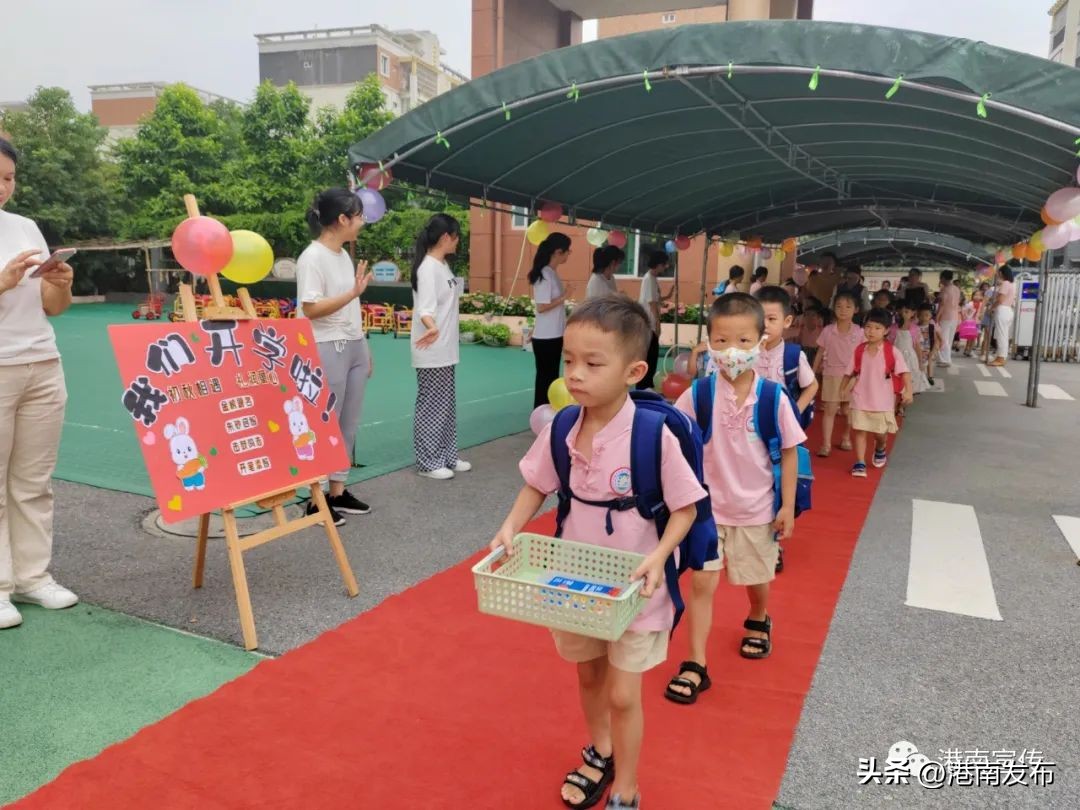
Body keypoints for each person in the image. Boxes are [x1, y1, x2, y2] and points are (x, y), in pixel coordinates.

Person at [490, 296, 705, 810]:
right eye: (569, 361)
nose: (576, 374)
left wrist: (660, 557)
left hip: (637, 589)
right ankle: (602, 749)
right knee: (588, 673)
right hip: (575, 583)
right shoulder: (563, 426)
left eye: (592, 363)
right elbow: (536, 485)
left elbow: (686, 508)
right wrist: (510, 526)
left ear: (634, 370)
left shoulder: (653, 433)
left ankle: (627, 787)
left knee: (624, 693)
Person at [665, 293, 804, 697]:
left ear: (762, 342)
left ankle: (759, 617)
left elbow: (791, 453)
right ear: (709, 342)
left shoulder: (774, 397)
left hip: (756, 509)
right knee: (703, 585)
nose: (732, 351)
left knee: (755, 577)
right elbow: (673, 442)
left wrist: (788, 506)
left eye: (744, 341)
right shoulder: (698, 394)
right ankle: (695, 664)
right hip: (707, 511)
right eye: (722, 341)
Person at [0, 136, 79, 629]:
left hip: (42, 361)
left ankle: (32, 578)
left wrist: (59, 283)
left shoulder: (24, 226)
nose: (4, 187)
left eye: (8, 177)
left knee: (33, 481)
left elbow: (52, 308)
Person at [297, 189, 375, 525]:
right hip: (326, 346)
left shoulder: (342, 255)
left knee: (349, 421)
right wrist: (352, 294)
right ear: (342, 219)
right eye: (358, 216)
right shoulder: (311, 258)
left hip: (352, 343)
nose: (362, 222)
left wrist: (364, 348)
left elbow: (351, 307)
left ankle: (338, 491)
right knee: (324, 422)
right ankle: (315, 499)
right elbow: (311, 308)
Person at [411, 213, 470, 480]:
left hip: (445, 349)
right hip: (431, 349)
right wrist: (431, 326)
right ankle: (428, 462)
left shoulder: (442, 266)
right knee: (432, 405)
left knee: (446, 405)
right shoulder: (427, 268)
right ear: (446, 237)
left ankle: (446, 455)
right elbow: (425, 307)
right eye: (457, 237)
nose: (458, 243)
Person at [843, 308, 912, 477]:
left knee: (880, 433)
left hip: (883, 400)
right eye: (868, 327)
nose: (871, 331)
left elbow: (904, 372)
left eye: (877, 328)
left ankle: (880, 447)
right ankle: (860, 463)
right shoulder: (859, 350)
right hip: (860, 397)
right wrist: (843, 389)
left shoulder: (892, 352)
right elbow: (850, 372)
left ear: (887, 330)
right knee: (859, 430)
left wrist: (908, 391)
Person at [754, 286, 819, 422]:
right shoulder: (745, 353)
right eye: (759, 318)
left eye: (771, 319)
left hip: (781, 425)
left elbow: (812, 385)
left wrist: (794, 412)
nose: (765, 324)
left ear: (787, 321)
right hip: (749, 424)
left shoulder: (793, 355)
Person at [812, 292, 864, 458]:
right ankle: (826, 444)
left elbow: (863, 355)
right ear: (833, 308)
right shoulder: (828, 331)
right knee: (830, 409)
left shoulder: (859, 332)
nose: (843, 310)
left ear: (856, 310)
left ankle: (846, 436)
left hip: (852, 376)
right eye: (839, 306)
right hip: (831, 374)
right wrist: (812, 372)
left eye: (848, 307)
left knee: (848, 410)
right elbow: (820, 352)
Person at [530, 233, 574, 409]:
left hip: (554, 334)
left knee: (551, 376)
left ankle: (548, 411)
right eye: (567, 251)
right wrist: (565, 296)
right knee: (546, 378)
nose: (568, 254)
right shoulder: (544, 274)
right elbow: (541, 307)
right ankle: (541, 411)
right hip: (546, 337)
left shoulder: (551, 273)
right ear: (558, 252)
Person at [638, 250, 674, 391]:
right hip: (649, 323)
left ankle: (648, 383)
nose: (665, 267)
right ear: (659, 264)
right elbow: (652, 304)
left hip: (650, 322)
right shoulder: (649, 279)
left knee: (652, 353)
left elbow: (656, 299)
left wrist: (669, 295)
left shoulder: (652, 278)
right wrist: (657, 324)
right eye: (664, 265)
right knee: (650, 354)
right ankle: (644, 385)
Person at [894, 302, 928, 401]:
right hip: (896, 358)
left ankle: (903, 403)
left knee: (908, 381)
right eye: (901, 311)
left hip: (910, 359)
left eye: (906, 311)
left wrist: (920, 362)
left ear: (913, 313)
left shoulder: (914, 329)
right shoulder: (893, 328)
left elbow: (917, 346)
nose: (903, 314)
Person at [989, 266, 1016, 367]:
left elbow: (1000, 299)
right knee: (1003, 334)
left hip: (1002, 309)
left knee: (1001, 335)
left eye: (998, 272)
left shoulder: (1005, 283)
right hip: (1008, 310)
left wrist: (992, 307)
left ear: (1001, 273)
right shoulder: (1012, 284)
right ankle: (1000, 356)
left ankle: (1000, 358)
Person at [936, 270, 961, 366]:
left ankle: (944, 360)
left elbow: (942, 304)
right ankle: (947, 358)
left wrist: (937, 317)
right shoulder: (956, 288)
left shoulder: (945, 289)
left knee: (943, 338)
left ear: (943, 278)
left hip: (945, 316)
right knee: (949, 339)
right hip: (954, 316)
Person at [916, 303, 941, 385]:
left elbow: (935, 339)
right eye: (921, 315)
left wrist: (933, 350)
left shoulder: (931, 327)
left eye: (926, 315)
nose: (924, 317)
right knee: (920, 362)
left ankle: (930, 376)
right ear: (918, 316)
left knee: (929, 361)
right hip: (919, 348)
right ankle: (920, 376)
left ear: (930, 316)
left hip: (929, 348)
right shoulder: (915, 327)